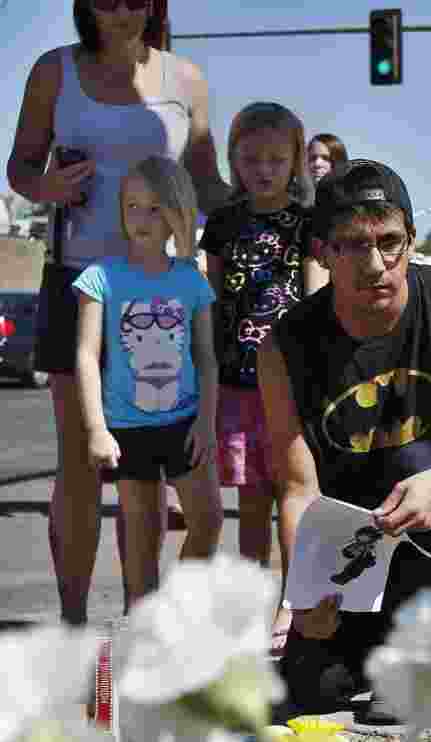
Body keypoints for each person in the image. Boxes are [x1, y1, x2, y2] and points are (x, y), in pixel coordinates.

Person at [258, 159, 431, 721]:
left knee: (421, 457)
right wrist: (299, 597)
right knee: (307, 689)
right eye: (352, 245)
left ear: (411, 240)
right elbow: (297, 487)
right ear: (323, 252)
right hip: (355, 533)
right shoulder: (284, 346)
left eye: (390, 242)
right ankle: (373, 644)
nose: (376, 264)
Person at [5, 0, 230, 626]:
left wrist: (268, 207)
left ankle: (145, 618)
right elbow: (20, 166)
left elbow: (206, 184)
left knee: (150, 461)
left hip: (162, 289)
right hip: (79, 280)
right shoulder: (55, 71)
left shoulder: (186, 80)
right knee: (79, 460)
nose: (122, 10)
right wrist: (47, 185)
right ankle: (75, 622)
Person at [199, 101, 328, 654]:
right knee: (250, 505)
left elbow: (318, 295)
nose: (264, 169)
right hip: (236, 379)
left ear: (296, 160)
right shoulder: (224, 223)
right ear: (233, 160)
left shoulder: (307, 222)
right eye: (251, 158)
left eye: (276, 158)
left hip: (291, 381)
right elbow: (211, 298)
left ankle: (288, 608)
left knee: (292, 497)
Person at [73, 155, 221, 609]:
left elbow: (206, 359)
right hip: (126, 430)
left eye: (155, 208)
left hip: (184, 424)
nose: (142, 218)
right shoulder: (102, 278)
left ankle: (175, 610)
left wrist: (206, 423)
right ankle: (140, 631)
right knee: (140, 534)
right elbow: (85, 355)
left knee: (209, 521)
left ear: (177, 212)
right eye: (133, 206)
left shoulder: (190, 280)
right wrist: (97, 428)